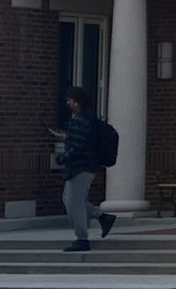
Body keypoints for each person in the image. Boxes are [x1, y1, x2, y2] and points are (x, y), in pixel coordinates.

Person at [51, 87, 117, 252]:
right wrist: (67, 138)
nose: (67, 103)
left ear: (76, 102)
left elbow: (77, 147)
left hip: (81, 167)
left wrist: (61, 158)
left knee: (74, 203)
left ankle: (82, 239)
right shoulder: (88, 120)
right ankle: (102, 217)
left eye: (69, 100)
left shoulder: (78, 121)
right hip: (87, 166)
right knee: (70, 200)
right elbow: (82, 141)